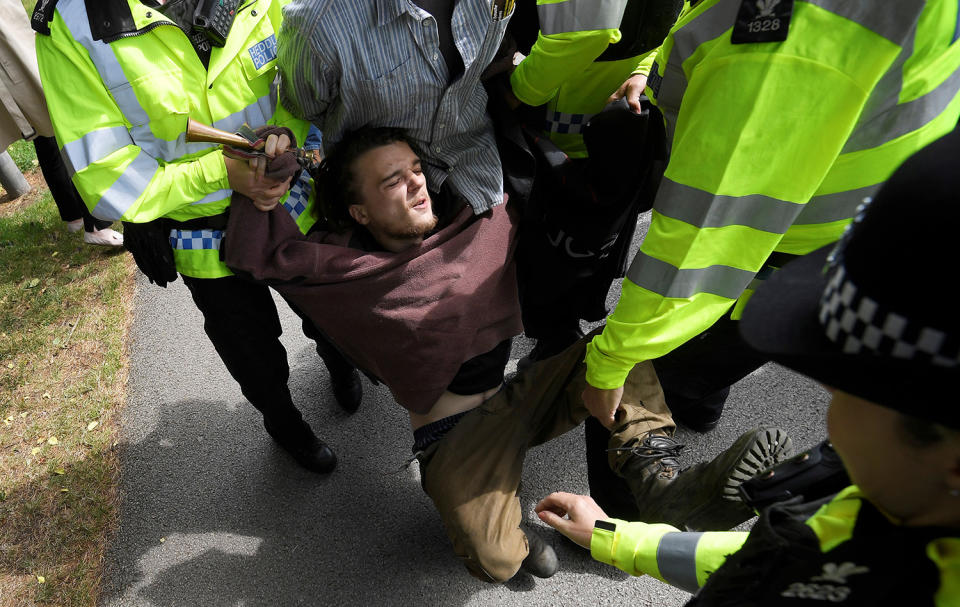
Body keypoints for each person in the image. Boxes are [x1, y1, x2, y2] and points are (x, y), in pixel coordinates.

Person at [224, 126, 795, 583]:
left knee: (616, 349)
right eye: (392, 181)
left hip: (525, 394)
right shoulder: (342, 274)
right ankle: (496, 532)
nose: (417, 185)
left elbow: (524, 148)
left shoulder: (482, 220)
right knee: (499, 563)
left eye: (417, 170)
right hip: (454, 439)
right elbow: (258, 255)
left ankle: (662, 481)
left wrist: (630, 108)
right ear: (359, 213)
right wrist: (270, 171)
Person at [535, 130, 960, 605]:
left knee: (631, 365)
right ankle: (661, 489)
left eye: (846, 387)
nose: (822, 385)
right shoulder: (895, 498)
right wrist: (615, 539)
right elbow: (767, 556)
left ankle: (653, 481)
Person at [582, 0, 960, 437]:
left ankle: (638, 492)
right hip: (845, 228)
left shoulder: (777, 37)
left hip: (768, 251)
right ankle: (698, 404)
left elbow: (701, 233)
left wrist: (612, 362)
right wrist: (653, 65)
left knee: (628, 409)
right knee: (715, 349)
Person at [33, 0, 347, 473]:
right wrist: (218, 174)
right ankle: (284, 424)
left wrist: (288, 134)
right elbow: (103, 169)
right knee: (250, 348)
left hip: (291, 199)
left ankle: (339, 360)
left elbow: (303, 62)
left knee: (328, 311)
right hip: (200, 232)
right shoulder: (71, 20)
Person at [277, 0, 515, 217]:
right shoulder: (318, 24)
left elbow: (498, 52)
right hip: (381, 217)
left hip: (487, 177)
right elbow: (304, 109)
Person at [0, 2, 121, 245]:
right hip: (9, 38)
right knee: (55, 114)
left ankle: (75, 215)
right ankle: (94, 223)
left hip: (12, 31)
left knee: (44, 122)